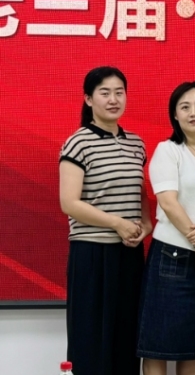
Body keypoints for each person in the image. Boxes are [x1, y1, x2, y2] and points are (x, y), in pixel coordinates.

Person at [59, 66, 152, 375]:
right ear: (88, 99)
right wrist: (116, 223)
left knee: (126, 339)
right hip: (92, 254)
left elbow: (139, 194)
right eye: (105, 93)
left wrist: (145, 226)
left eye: (119, 92)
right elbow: (69, 203)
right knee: (91, 341)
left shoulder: (136, 143)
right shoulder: (78, 142)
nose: (113, 99)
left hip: (129, 254)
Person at [137, 82, 195, 374]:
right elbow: (168, 202)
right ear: (175, 115)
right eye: (185, 107)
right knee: (158, 344)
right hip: (171, 258)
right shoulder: (168, 150)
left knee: (194, 344)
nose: (193, 113)